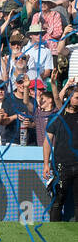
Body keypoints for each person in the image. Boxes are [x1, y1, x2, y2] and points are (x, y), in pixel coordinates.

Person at [43, 86, 78, 221]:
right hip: (61, 166)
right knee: (58, 201)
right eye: (77, 98)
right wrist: (46, 164)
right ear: (68, 99)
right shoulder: (57, 117)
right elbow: (47, 141)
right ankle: (54, 233)